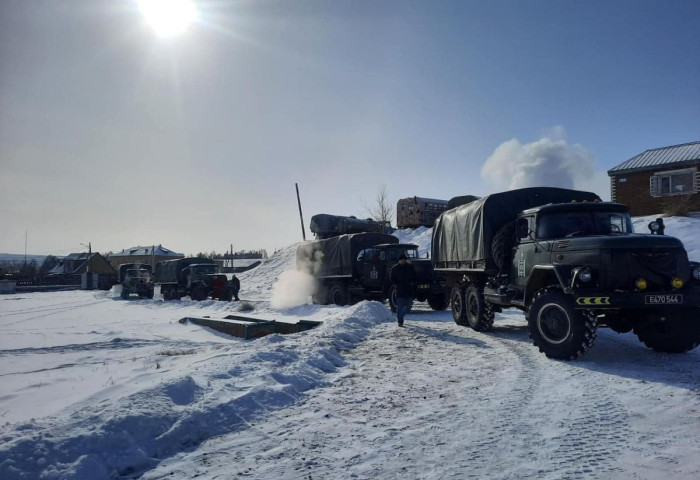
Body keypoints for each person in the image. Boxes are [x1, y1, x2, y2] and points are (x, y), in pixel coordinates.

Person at [390, 253, 416, 327]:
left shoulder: (410, 267)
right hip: (400, 290)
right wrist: (397, 284)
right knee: (400, 306)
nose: (404, 261)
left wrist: (413, 282)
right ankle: (400, 321)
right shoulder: (395, 268)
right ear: (399, 260)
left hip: (409, 290)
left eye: (405, 260)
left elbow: (415, 275)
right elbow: (392, 278)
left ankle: (400, 316)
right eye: (402, 260)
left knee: (408, 307)